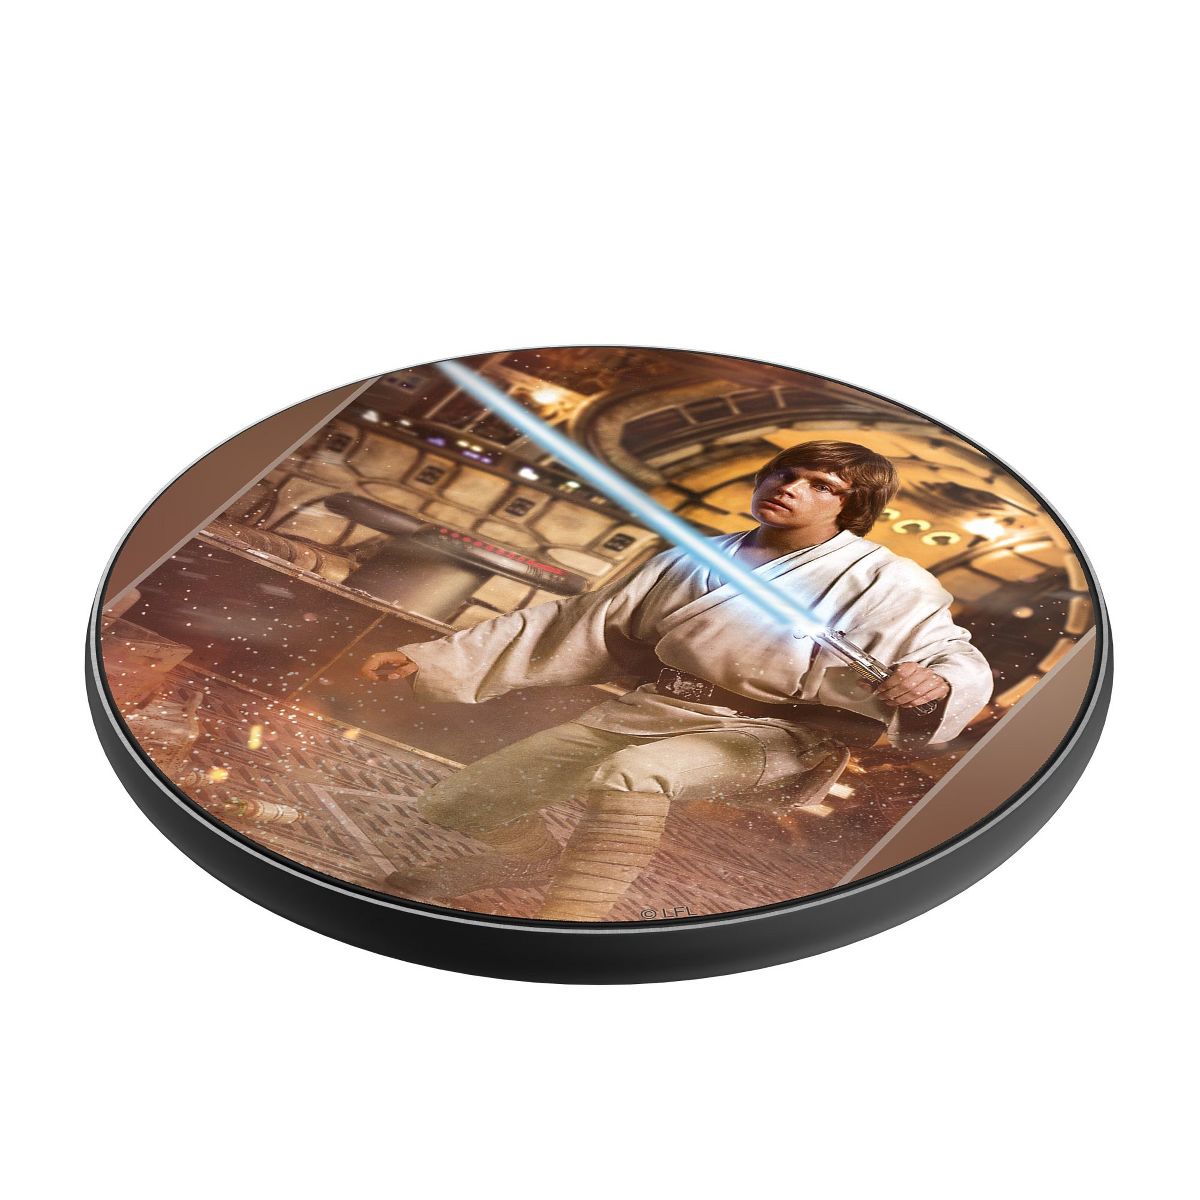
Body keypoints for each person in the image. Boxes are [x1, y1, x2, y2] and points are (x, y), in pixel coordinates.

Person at [361, 441, 993, 921]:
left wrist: (935, 684)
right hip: (653, 712)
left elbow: (953, 656)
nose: (791, 488)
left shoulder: (888, 581)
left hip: (772, 735)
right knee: (465, 799)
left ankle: (569, 924)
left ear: (849, 507)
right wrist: (435, 659)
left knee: (635, 774)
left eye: (820, 485)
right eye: (785, 473)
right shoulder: (690, 559)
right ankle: (528, 859)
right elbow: (576, 621)